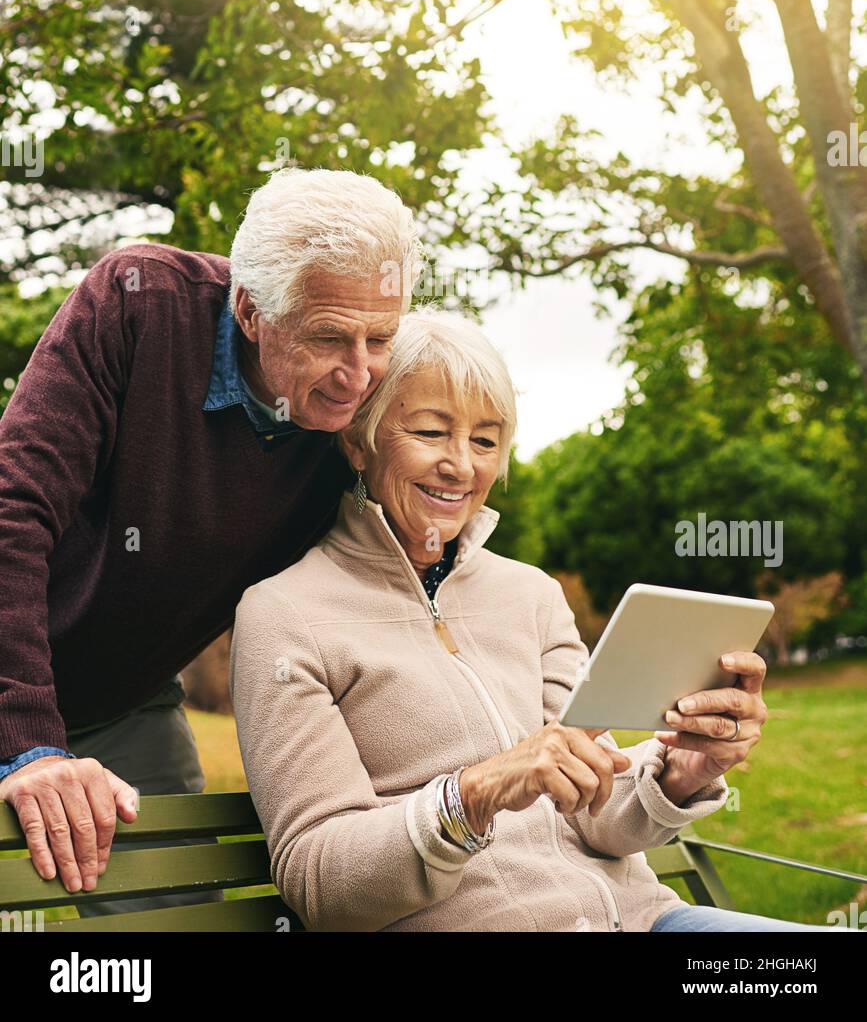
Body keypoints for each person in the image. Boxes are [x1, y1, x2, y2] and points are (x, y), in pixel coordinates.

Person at [229, 309, 853, 932]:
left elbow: (598, 814)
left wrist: (685, 771)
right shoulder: (286, 616)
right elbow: (319, 879)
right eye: (429, 432)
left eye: (484, 440)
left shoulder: (530, 595)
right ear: (358, 438)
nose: (461, 466)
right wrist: (473, 796)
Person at [0, 167, 421, 916]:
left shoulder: (365, 405)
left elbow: (411, 574)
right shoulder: (139, 305)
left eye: (380, 338)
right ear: (251, 311)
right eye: (330, 338)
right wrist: (29, 742)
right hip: (15, 669)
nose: (360, 375)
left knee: (179, 916)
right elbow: (11, 514)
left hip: (120, 700)